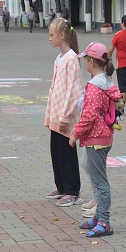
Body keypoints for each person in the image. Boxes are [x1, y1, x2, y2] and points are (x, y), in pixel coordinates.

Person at [72, 43, 121, 238]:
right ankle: (99, 217)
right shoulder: (106, 81)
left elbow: (89, 115)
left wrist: (74, 134)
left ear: (91, 62)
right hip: (103, 136)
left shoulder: (94, 86)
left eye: (85, 60)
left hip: (96, 138)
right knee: (92, 170)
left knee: (100, 182)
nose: (85, 63)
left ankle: (104, 222)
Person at [45, 18, 84, 207]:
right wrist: (51, 114)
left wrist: (65, 115)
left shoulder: (72, 59)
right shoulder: (59, 58)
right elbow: (55, 88)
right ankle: (61, 186)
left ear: (62, 35)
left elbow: (74, 90)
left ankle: (72, 190)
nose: (49, 39)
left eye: (52, 35)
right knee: (56, 153)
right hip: (56, 115)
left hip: (65, 117)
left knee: (67, 154)